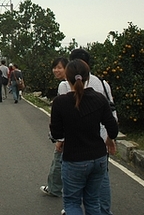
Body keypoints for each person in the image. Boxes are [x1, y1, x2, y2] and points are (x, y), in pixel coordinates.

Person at [50, 59, 118, 215]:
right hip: (99, 158)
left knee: (72, 203)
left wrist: (61, 141)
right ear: (88, 77)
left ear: (67, 77)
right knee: (93, 201)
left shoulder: (60, 102)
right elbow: (112, 126)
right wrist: (109, 139)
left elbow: (56, 133)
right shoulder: (99, 99)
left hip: (74, 159)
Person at [69, 48, 117, 215]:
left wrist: (60, 140)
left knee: (73, 193)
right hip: (101, 142)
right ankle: (105, 211)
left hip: (77, 145)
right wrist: (110, 137)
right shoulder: (103, 84)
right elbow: (112, 113)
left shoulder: (66, 85)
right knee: (101, 180)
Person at [41, 57, 69, 197]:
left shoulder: (64, 85)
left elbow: (64, 112)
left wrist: (60, 137)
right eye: (54, 67)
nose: (56, 70)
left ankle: (55, 188)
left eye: (59, 67)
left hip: (68, 133)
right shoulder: (83, 82)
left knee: (59, 160)